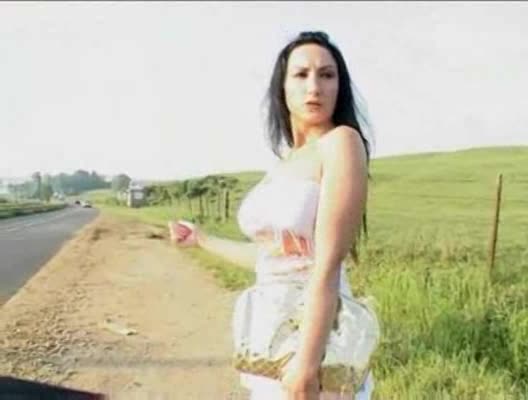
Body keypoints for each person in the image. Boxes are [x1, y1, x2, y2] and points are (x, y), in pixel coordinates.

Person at [169, 31, 375, 400]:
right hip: (270, 340)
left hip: (314, 342)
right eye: (301, 74)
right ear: (282, 87)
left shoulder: (341, 143)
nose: (314, 87)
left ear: (339, 86)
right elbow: (269, 260)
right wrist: (201, 238)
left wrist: (307, 364)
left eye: (327, 75)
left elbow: (327, 264)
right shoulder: (283, 164)